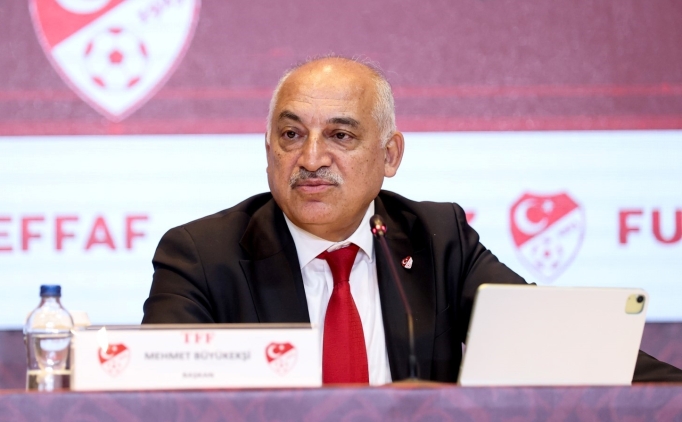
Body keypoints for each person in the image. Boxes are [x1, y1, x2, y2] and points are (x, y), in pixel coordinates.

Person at [142, 56, 682, 384]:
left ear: (390, 155)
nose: (311, 158)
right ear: (268, 151)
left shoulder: (438, 240)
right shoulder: (202, 255)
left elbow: (557, 344)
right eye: (291, 135)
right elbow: (158, 396)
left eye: (340, 135)